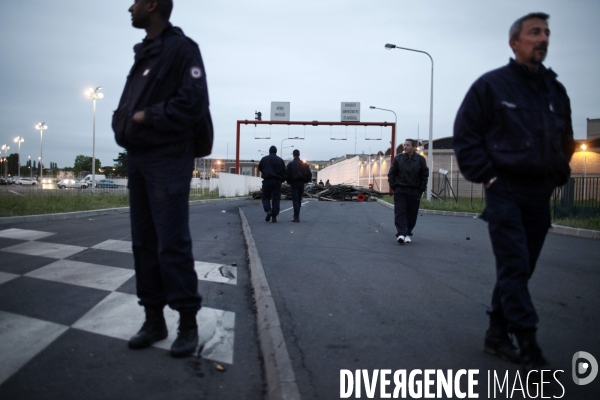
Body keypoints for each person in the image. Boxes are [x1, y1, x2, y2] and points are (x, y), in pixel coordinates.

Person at [453, 13, 574, 377]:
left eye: (547, 33)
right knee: (514, 265)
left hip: (539, 193)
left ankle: (495, 333)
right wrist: (488, 177)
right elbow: (466, 136)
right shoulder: (492, 87)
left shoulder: (555, 90)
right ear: (515, 42)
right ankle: (528, 341)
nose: (543, 38)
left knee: (523, 267)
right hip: (503, 189)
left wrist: (557, 172)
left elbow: (566, 139)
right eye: (534, 32)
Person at [112, 0, 210, 358]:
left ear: (152, 5)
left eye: (135, 2)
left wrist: (143, 118)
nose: (129, 8)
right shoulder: (145, 53)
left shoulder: (182, 49)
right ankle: (154, 319)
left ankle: (188, 323)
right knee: (143, 242)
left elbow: (193, 103)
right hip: (139, 159)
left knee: (172, 243)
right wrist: (123, 119)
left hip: (168, 157)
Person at [387, 139, 429, 243]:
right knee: (400, 212)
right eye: (404, 145)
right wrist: (394, 187)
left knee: (412, 214)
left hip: (414, 191)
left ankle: (407, 232)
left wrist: (421, 189)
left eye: (408, 145)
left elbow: (424, 175)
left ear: (414, 147)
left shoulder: (420, 160)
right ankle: (401, 234)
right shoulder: (398, 158)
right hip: (400, 190)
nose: (405, 147)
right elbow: (391, 174)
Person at [258, 146, 286, 223]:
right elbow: (284, 172)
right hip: (277, 181)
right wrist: (282, 180)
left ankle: (268, 210)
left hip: (267, 181)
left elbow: (259, 168)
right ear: (276, 151)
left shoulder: (264, 159)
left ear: (269, 151)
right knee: (276, 198)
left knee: (266, 197)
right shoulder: (280, 160)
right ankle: (274, 216)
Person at [286, 149, 312, 222]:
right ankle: (297, 215)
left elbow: (287, 174)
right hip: (301, 183)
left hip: (293, 183)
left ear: (293, 155)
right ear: (299, 154)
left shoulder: (290, 164)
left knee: (295, 200)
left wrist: (288, 181)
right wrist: (306, 181)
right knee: (299, 199)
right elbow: (309, 174)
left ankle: (296, 216)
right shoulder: (304, 164)